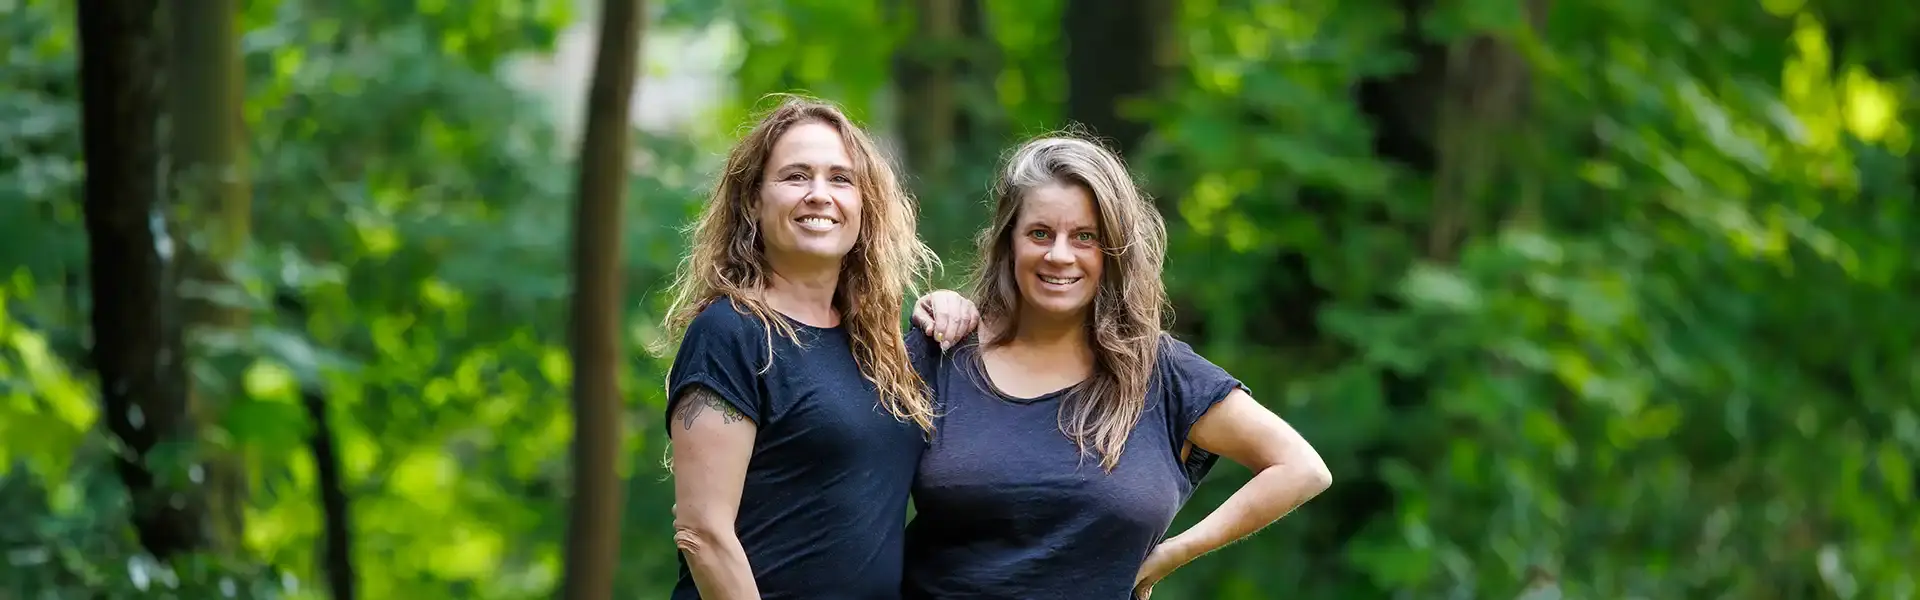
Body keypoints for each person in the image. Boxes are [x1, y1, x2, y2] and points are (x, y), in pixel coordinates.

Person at [901, 135, 1334, 599]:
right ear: (1010, 242)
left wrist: (1173, 553)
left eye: (1085, 237)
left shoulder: (1162, 374)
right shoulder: (944, 350)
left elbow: (1301, 468)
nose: (1059, 255)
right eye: (1040, 233)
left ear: (1114, 251)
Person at [655, 96, 977, 600]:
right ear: (753, 201)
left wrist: (956, 308)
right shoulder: (730, 333)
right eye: (796, 176)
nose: (819, 195)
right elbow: (704, 534)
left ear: (864, 205)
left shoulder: (879, 348)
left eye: (841, 179)